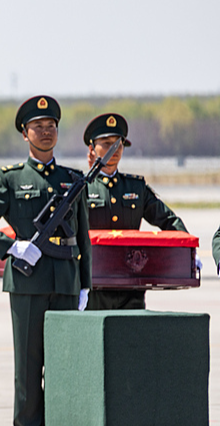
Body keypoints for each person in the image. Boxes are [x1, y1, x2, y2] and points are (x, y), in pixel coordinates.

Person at [0, 95, 91, 426]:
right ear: (25, 134)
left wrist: (85, 283)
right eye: (38, 126)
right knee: (28, 362)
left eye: (51, 126)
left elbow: (83, 236)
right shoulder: (11, 179)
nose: (46, 132)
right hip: (27, 281)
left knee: (62, 364)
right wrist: (12, 247)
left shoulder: (73, 179)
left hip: (65, 280)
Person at [82, 113, 196, 309]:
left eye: (118, 144)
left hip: (131, 285)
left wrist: (187, 251)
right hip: (93, 285)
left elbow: (168, 220)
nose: (114, 149)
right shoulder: (82, 188)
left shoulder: (135, 187)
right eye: (107, 143)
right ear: (92, 149)